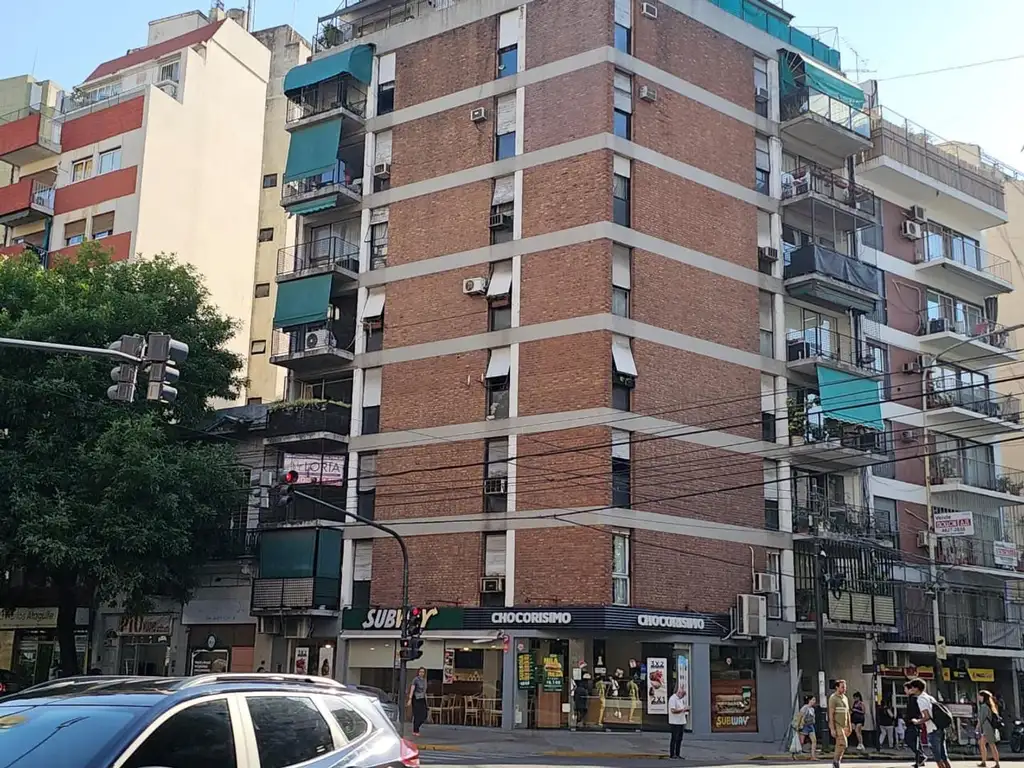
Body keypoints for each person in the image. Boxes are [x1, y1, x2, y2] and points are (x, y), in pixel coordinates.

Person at [906, 677, 951, 768]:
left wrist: (917, 721)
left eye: (912, 687)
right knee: (944, 756)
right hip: (940, 727)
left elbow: (927, 716)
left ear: (916, 688)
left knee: (938, 757)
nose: (911, 689)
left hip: (933, 729)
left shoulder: (920, 699)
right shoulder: (929, 697)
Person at [829, 679, 852, 768]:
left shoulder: (845, 698)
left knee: (840, 744)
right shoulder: (833, 698)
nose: (844, 689)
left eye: (845, 687)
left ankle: (836, 761)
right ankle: (836, 760)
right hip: (837, 724)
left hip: (844, 724)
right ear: (837, 687)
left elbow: (847, 712)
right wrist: (832, 728)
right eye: (842, 687)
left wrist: (849, 725)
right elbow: (831, 714)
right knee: (843, 743)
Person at [977, 689, 1002, 768]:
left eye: (979, 696)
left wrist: (977, 728)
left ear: (983, 697)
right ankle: (984, 761)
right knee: (982, 743)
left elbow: (981, 718)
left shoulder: (984, 706)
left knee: (992, 745)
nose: (978, 698)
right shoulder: (991, 705)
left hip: (987, 728)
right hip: (989, 728)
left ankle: (997, 763)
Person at [903, 689, 925, 768]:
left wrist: (909, 719)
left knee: (908, 740)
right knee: (917, 742)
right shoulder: (915, 698)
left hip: (913, 723)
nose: (905, 691)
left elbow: (912, 712)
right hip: (916, 723)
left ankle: (921, 756)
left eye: (905, 689)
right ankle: (919, 761)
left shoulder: (913, 699)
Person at [668, 682, 689, 759]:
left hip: (681, 721)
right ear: (679, 693)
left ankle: (677, 753)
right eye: (682, 695)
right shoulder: (672, 699)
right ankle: (672, 754)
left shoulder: (680, 699)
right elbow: (673, 710)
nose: (682, 697)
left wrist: (685, 709)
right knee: (674, 738)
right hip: (675, 722)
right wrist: (682, 710)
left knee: (679, 739)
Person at [407, 667, 429, 737]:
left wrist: (426, 699)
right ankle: (415, 730)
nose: (421, 673)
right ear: (418, 672)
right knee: (417, 715)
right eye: (420, 672)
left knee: (424, 715)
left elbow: (424, 691)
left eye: (423, 672)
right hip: (416, 698)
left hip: (422, 698)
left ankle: (417, 727)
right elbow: (412, 689)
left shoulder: (424, 680)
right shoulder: (416, 679)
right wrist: (410, 699)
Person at [795, 695, 818, 759]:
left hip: (810, 725)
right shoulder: (805, 707)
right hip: (804, 726)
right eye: (813, 700)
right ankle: (797, 754)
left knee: (814, 740)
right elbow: (800, 716)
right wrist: (798, 725)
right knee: (801, 741)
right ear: (809, 700)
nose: (814, 701)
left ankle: (813, 756)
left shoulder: (812, 709)